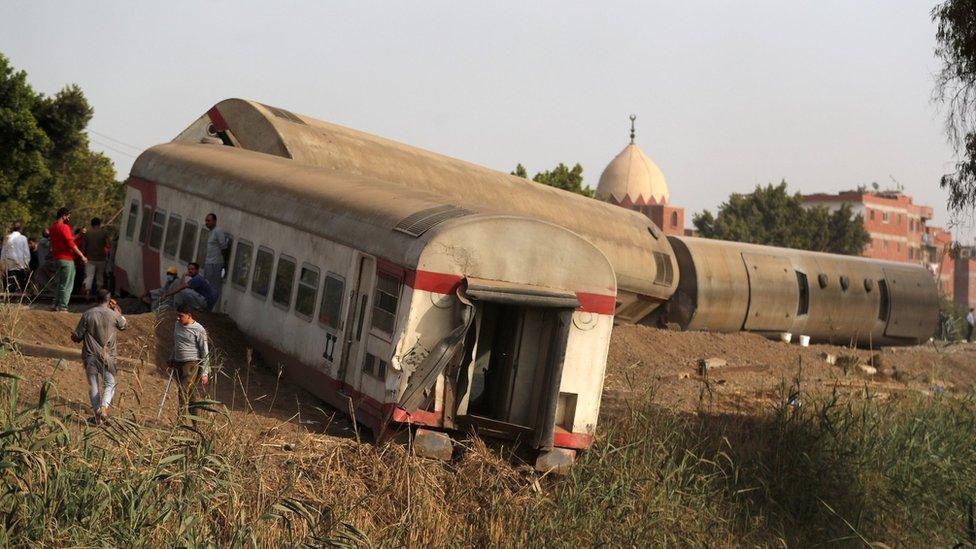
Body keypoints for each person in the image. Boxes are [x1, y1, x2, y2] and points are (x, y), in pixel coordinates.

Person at [70, 289, 128, 424]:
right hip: (108, 357)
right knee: (110, 384)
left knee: (93, 385)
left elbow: (77, 336)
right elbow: (124, 325)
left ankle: (97, 416)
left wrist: (74, 336)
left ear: (96, 299)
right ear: (109, 300)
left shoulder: (87, 314)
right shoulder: (113, 315)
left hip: (90, 356)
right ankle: (104, 408)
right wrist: (116, 308)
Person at [168, 305, 210, 422]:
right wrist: (172, 358)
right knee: (190, 394)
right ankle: (195, 423)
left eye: (181, 316)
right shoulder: (177, 325)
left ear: (189, 316)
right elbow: (177, 343)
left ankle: (179, 423)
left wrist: (205, 372)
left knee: (182, 390)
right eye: (177, 315)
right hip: (178, 363)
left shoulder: (199, 329)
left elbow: (204, 351)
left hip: (191, 364)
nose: (178, 318)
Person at [49, 208, 87, 311]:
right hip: (67, 259)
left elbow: (69, 239)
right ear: (64, 216)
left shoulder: (52, 227)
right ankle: (63, 306)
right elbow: (70, 243)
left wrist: (79, 235)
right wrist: (81, 256)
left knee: (59, 283)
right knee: (67, 284)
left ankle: (55, 304)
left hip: (57, 259)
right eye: (68, 216)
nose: (69, 218)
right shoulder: (64, 227)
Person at [203, 213, 230, 309]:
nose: (206, 223)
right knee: (207, 284)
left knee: (213, 287)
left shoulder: (218, 231)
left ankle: (212, 308)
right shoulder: (211, 232)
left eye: (209, 221)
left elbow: (223, 246)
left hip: (215, 263)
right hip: (209, 262)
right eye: (206, 221)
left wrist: (222, 261)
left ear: (214, 221)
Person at [83, 217, 110, 296]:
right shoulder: (104, 233)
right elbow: (108, 244)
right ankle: (99, 294)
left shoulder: (87, 233)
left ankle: (87, 293)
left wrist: (84, 254)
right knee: (100, 277)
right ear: (99, 224)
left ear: (91, 224)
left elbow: (84, 246)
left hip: (90, 258)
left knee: (89, 276)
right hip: (101, 258)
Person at [0, 222, 30, 293]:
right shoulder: (23, 238)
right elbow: (26, 252)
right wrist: (26, 264)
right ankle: (22, 297)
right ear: (20, 229)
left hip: (9, 264)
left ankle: (9, 298)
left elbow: (3, 252)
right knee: (22, 284)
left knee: (9, 284)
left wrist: (2, 264)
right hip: (20, 264)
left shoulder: (7, 237)